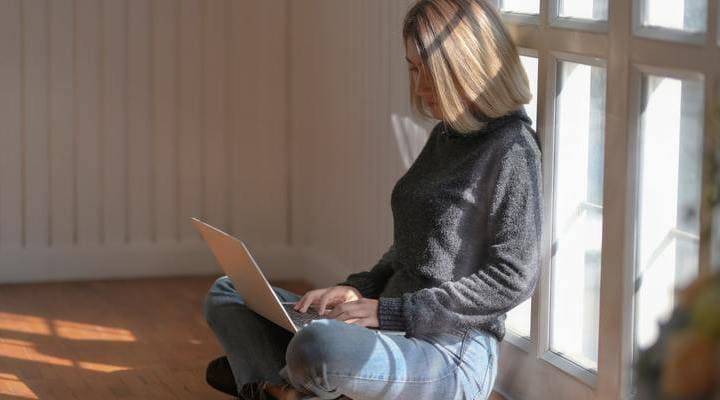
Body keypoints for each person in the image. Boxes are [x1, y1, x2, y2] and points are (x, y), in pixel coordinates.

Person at [203, 0, 542, 399]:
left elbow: (513, 279)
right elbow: (409, 249)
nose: (419, 87)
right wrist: (356, 290)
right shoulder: (448, 135)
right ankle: (287, 384)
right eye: (414, 69)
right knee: (229, 291)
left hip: (450, 351)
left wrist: (389, 311)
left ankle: (278, 379)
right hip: (386, 322)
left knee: (319, 347)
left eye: (431, 72)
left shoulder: (512, 149)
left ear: (466, 65)